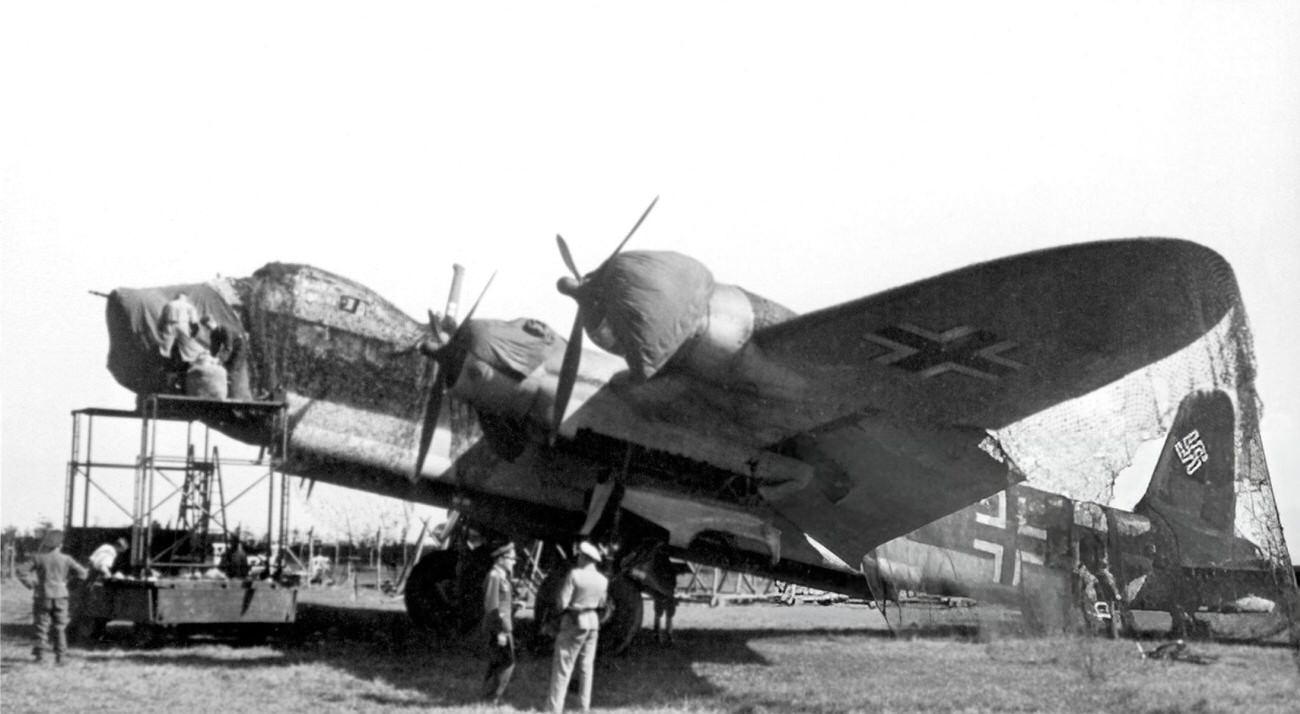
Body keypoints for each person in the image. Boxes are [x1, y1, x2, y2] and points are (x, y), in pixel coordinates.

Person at [546, 541, 609, 714]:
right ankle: (583, 707)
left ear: (584, 557)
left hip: (574, 620)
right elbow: (603, 603)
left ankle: (554, 709)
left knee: (563, 667)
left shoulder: (574, 575)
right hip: (593, 622)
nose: (578, 558)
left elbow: (562, 603)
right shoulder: (603, 580)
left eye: (580, 555)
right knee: (586, 667)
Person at [20, 530, 89, 665]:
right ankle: (61, 657)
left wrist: (31, 584)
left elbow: (21, 571)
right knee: (60, 627)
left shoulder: (38, 558)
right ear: (60, 545)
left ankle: (40, 657)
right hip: (61, 595)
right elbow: (83, 574)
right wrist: (70, 586)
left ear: (46, 544)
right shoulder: (67, 559)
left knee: (41, 626)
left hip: (42, 595)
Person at [481, 542, 517, 705]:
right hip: (499, 627)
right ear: (501, 559)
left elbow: (501, 602)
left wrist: (515, 606)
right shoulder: (495, 576)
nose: (514, 561)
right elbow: (492, 605)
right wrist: (500, 631)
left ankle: (488, 697)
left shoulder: (501, 576)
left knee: (497, 661)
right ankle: (492, 698)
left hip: (501, 625)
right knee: (507, 662)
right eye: (511, 558)